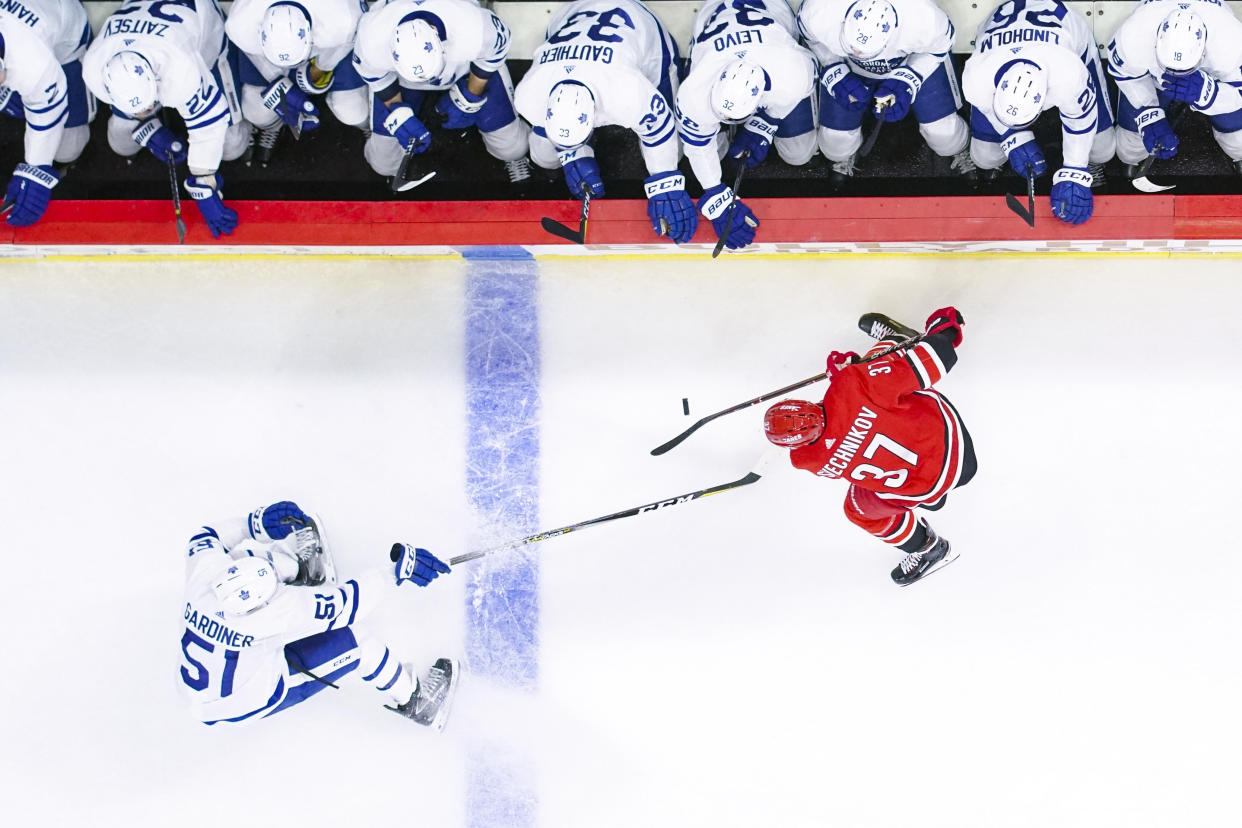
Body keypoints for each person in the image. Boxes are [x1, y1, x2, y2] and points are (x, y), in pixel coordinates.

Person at [179, 500, 459, 728]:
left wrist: (253, 525)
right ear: (261, 605)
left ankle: (306, 570)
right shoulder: (275, 615)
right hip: (247, 697)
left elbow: (204, 538)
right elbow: (349, 605)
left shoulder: (206, 576)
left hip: (216, 677)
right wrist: (397, 572)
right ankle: (417, 702)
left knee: (246, 555)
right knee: (357, 642)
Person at [762, 309, 976, 587]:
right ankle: (900, 340)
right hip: (951, 441)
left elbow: (840, 430)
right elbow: (940, 356)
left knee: (857, 510)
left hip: (926, 488)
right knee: (882, 374)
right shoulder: (852, 384)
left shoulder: (809, 461)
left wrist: (848, 376)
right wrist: (945, 326)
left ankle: (927, 548)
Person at [83, 0, 251, 239]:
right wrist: (146, 129)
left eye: (148, 106)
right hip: (150, 33)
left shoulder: (181, 70)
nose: (144, 111)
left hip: (201, 39)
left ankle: (251, 123)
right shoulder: (94, 66)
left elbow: (209, 124)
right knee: (120, 142)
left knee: (232, 145)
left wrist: (204, 183)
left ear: (156, 79)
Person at [513, 0, 681, 232]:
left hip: (640, 26)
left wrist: (664, 185)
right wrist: (571, 155)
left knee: (677, 149)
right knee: (543, 154)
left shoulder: (627, 92)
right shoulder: (528, 94)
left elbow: (659, 131)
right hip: (576, 11)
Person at [671, 0, 817, 250]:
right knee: (709, 152)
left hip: (771, 14)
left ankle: (744, 124)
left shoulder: (792, 73)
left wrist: (766, 122)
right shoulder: (694, 92)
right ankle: (727, 128)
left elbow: (797, 89)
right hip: (716, 14)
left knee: (799, 152)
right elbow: (697, 147)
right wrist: (715, 193)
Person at [961, 0, 1115, 226]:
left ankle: (1090, 164)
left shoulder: (1068, 73)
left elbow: (1080, 120)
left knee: (1102, 149)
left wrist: (1076, 169)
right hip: (1001, 46)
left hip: (1067, 39)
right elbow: (987, 106)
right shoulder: (976, 77)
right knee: (985, 157)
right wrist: (1011, 138)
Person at [351, 0, 531, 186]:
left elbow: (495, 50)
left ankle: (513, 157)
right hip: (402, 79)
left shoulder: (472, 26)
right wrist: (398, 113)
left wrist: (469, 96)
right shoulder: (371, 39)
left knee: (513, 148)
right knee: (384, 163)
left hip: (465, 67)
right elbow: (376, 75)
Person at [797, 0, 974, 182]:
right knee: (835, 146)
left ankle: (959, 148)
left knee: (944, 136)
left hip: (908, 60)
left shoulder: (924, 18)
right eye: (853, 47)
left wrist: (910, 78)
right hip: (847, 63)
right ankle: (845, 154)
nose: (857, 53)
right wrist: (833, 67)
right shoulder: (819, 10)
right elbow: (810, 37)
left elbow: (940, 46)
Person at [225, 0, 371, 167]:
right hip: (267, 56)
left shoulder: (343, 17)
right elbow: (251, 51)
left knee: (353, 110)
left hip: (330, 47)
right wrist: (278, 82)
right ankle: (272, 126)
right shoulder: (240, 22)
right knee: (256, 112)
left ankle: (368, 126)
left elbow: (352, 37)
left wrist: (321, 67)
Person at [1107, 2, 1242, 177]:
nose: (1177, 76)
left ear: (1203, 52)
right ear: (1156, 43)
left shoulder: (1232, 40)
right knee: (1129, 146)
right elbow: (1125, 73)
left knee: (1239, 141)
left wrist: (1210, 93)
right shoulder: (1134, 33)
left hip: (1212, 74)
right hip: (1155, 76)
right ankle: (1133, 159)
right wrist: (1149, 113)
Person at [0, 0, 95, 227]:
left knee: (69, 147)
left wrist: (36, 169)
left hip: (65, 42)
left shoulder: (31, 64)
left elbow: (47, 116)